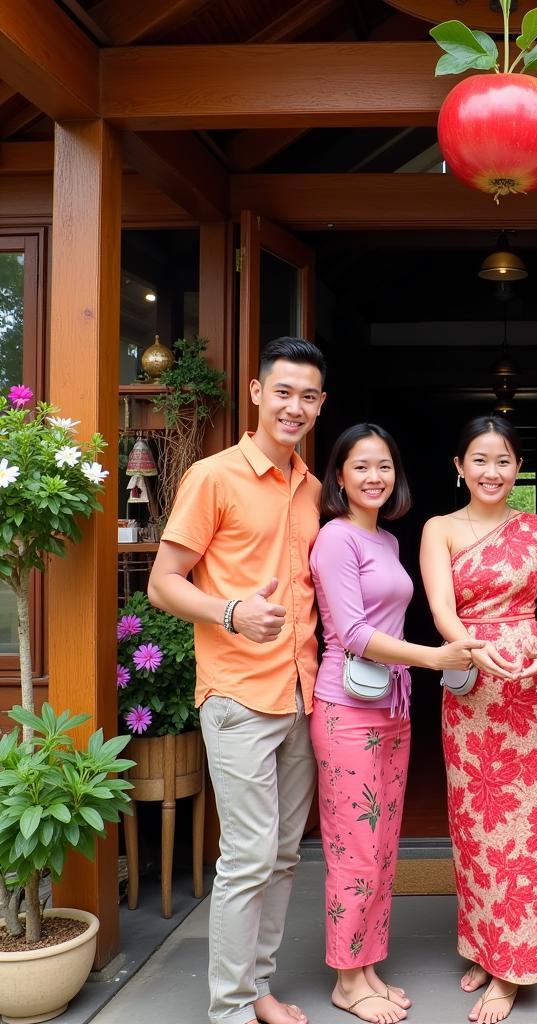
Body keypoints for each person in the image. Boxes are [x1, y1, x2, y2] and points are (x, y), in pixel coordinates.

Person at [148, 336, 328, 1024]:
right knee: (249, 857)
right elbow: (164, 584)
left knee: (283, 856)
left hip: (300, 692)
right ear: (256, 393)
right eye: (283, 391)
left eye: (308, 396)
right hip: (237, 695)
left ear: (320, 405)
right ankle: (228, 1009)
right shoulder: (213, 476)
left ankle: (257, 989)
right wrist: (230, 611)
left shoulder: (312, 487)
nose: (295, 406)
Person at [309, 423, 482, 1024]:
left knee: (382, 848)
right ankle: (344, 979)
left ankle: (366, 967)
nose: (374, 477)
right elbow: (352, 634)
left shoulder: (384, 539)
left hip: (392, 706)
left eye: (384, 466)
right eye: (361, 467)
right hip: (347, 708)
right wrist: (433, 657)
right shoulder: (335, 538)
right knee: (353, 847)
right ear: (339, 476)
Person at [419, 415, 537, 1024]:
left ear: (517, 468)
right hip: (472, 686)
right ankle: (483, 944)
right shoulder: (439, 529)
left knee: (527, 829)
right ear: (459, 467)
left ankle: (513, 969)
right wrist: (478, 654)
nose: (492, 472)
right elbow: (442, 610)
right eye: (479, 460)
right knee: (475, 825)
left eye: (503, 460)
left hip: (532, 689)